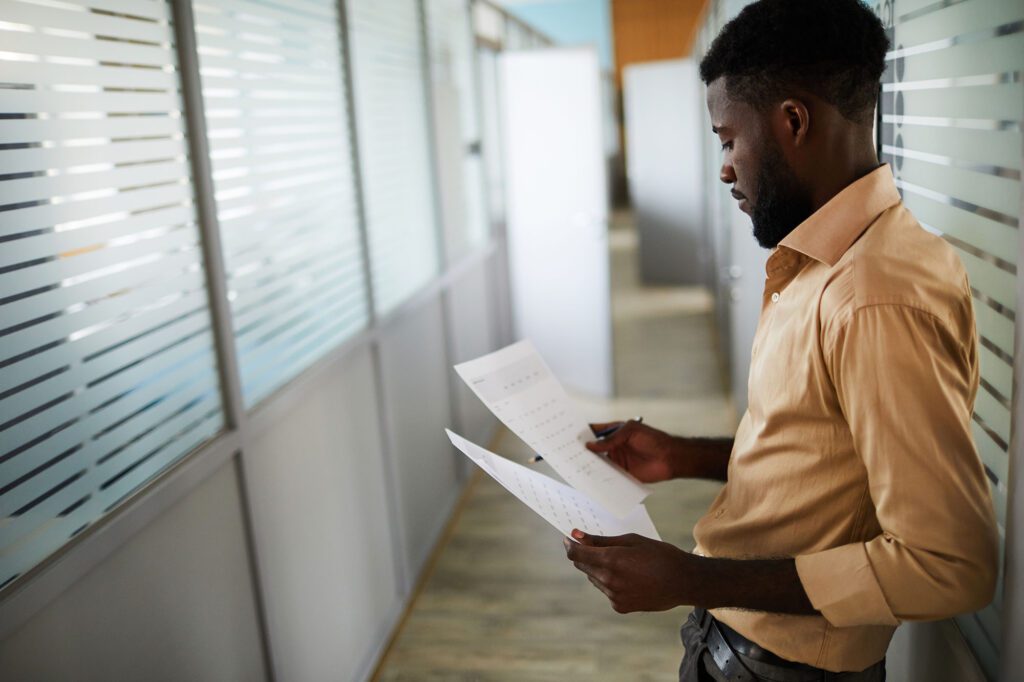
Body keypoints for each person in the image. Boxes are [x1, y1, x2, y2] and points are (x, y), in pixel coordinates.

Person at [562, 0, 999, 680]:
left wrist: (694, 579)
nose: (725, 169)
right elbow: (820, 448)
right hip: (738, 646)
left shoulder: (875, 296)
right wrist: (683, 454)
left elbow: (948, 567)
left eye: (729, 139)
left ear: (793, 122)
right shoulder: (823, 262)